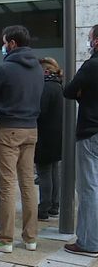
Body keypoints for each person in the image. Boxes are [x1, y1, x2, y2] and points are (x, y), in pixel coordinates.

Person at [0, 25, 44, 253]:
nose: (3, 45)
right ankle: (30, 238)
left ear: (12, 43)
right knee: (28, 183)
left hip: (9, 129)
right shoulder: (38, 67)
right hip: (31, 129)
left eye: (4, 41)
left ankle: (5, 239)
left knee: (7, 185)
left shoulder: (5, 67)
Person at [62, 25, 98, 257]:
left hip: (91, 132)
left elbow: (68, 91)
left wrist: (83, 93)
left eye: (89, 38)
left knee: (88, 188)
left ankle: (88, 242)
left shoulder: (91, 65)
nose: (88, 41)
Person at [35, 57, 63, 222]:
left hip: (44, 136)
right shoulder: (59, 86)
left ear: (45, 71)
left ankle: (44, 207)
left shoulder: (46, 87)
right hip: (57, 135)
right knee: (53, 171)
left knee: (44, 172)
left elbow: (40, 112)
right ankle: (54, 205)